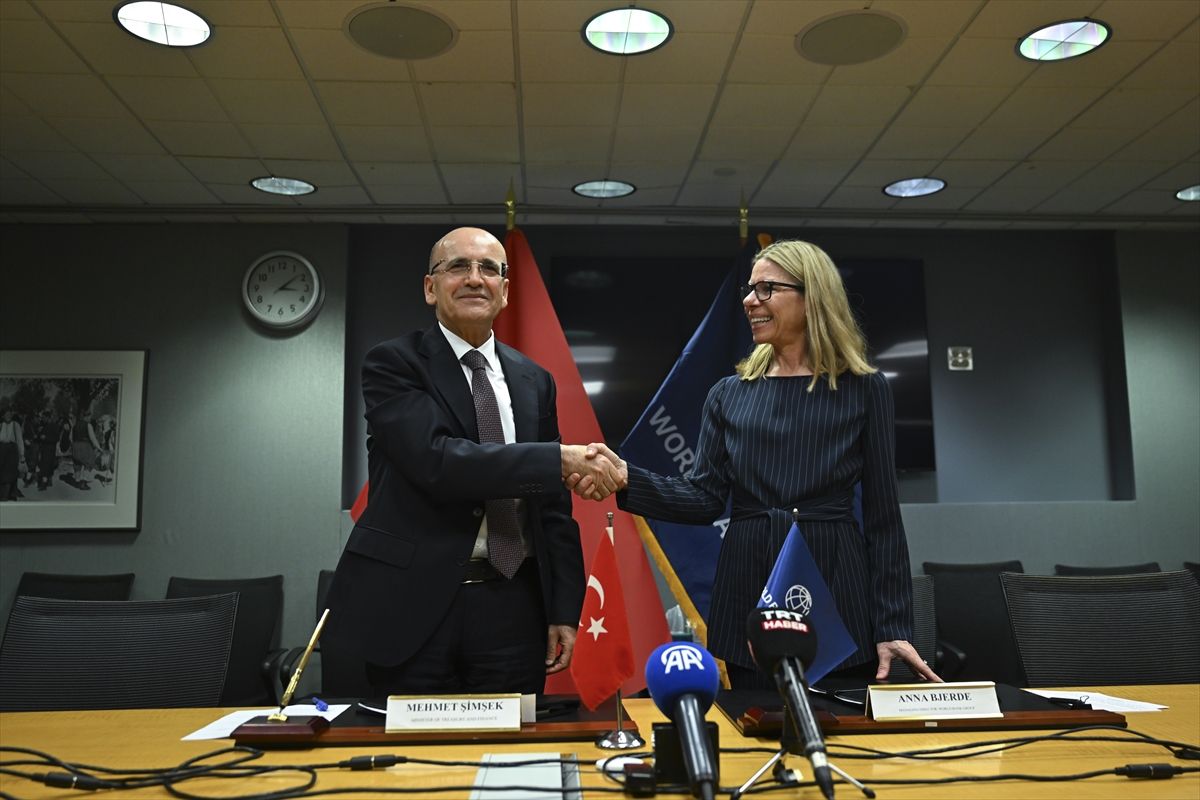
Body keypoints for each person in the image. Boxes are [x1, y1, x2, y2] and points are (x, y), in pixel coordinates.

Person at [572, 239, 940, 689]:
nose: (749, 300)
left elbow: (883, 518)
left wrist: (893, 625)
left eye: (767, 289)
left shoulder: (865, 389)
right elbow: (704, 498)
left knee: (840, 724)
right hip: (749, 585)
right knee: (757, 721)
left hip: (836, 589)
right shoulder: (727, 394)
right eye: (749, 289)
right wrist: (627, 477)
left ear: (812, 296)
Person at [324, 227, 623, 696]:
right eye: (458, 266)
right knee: (413, 745)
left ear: (505, 291)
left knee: (510, 741)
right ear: (430, 287)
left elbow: (552, 509)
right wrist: (557, 459)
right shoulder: (393, 364)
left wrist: (565, 609)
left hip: (513, 608)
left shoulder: (535, 380)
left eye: (489, 269)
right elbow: (438, 461)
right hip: (411, 606)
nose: (474, 278)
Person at [0, 408, 25, 501]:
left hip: (12, 452)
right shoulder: (0, 425)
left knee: (11, 473)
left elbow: (19, 440)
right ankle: (5, 493)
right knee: (2, 473)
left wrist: (22, 455)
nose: (8, 416)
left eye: (9, 414)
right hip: (2, 451)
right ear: (3, 416)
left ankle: (7, 495)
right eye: (6, 414)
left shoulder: (15, 425)